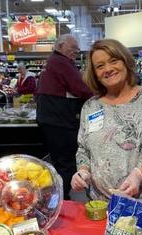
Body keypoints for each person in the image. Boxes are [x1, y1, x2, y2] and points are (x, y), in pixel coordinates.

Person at [71, 38, 142, 205]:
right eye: (100, 66)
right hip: (102, 205)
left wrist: (140, 174)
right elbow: (83, 150)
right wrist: (82, 172)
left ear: (126, 62)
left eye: (114, 61)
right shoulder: (90, 107)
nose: (108, 69)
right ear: (95, 74)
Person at [36, 34, 94, 198]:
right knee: (67, 162)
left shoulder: (53, 61)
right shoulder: (62, 62)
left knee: (59, 160)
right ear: (60, 47)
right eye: (72, 48)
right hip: (60, 120)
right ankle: (60, 199)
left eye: (77, 48)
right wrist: (97, 96)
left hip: (50, 118)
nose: (76, 51)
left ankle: (57, 195)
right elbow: (79, 88)